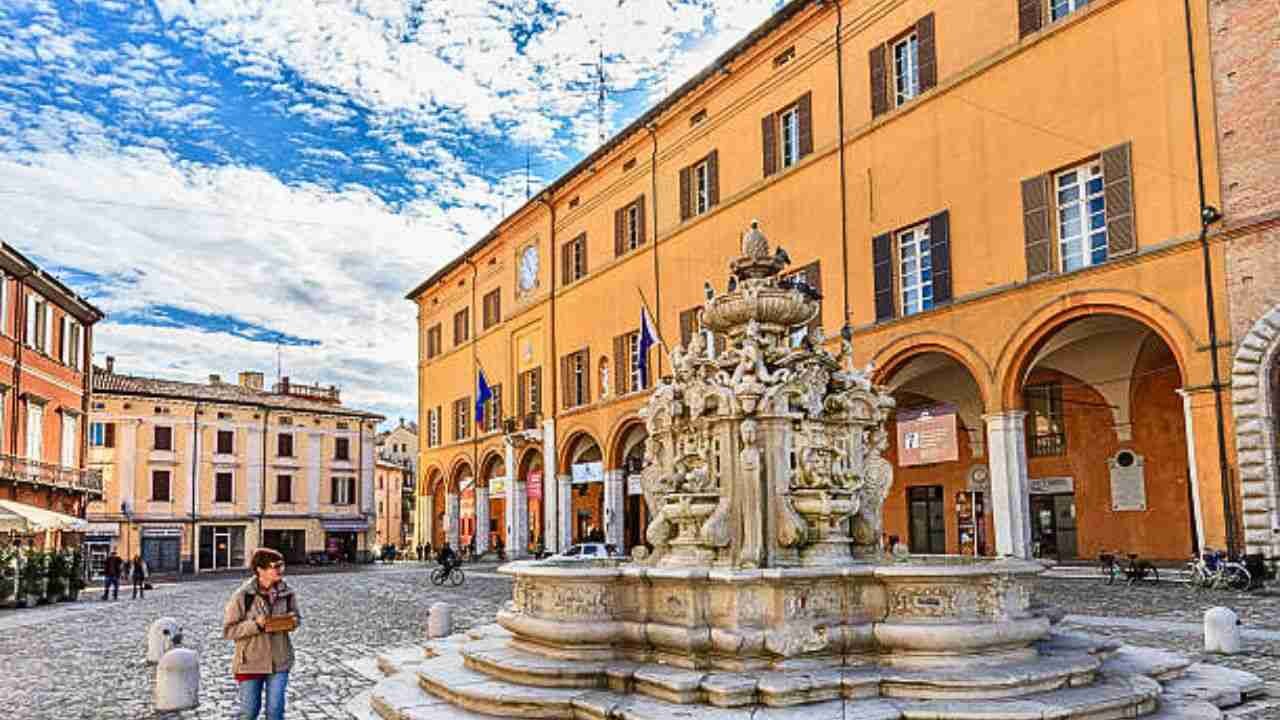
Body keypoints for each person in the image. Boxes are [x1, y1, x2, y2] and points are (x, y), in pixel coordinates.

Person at [224, 548, 302, 720]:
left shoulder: (287, 593)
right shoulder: (243, 596)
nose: (281, 570)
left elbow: (297, 617)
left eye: (282, 565)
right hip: (250, 662)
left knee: (275, 712)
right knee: (249, 712)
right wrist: (256, 625)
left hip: (280, 661)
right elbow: (229, 630)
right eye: (276, 566)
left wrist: (292, 621)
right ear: (260, 569)